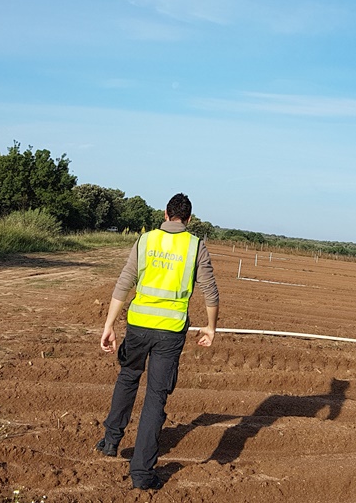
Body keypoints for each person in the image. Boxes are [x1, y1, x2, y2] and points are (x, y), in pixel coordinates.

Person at [96, 193, 219, 490]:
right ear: (189, 219)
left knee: (127, 378)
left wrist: (109, 324)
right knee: (156, 397)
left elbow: (125, 281)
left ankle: (111, 442)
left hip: (137, 325)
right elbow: (210, 290)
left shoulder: (146, 239)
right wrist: (210, 327)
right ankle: (141, 474)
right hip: (170, 332)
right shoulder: (195, 245)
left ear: (165, 213)